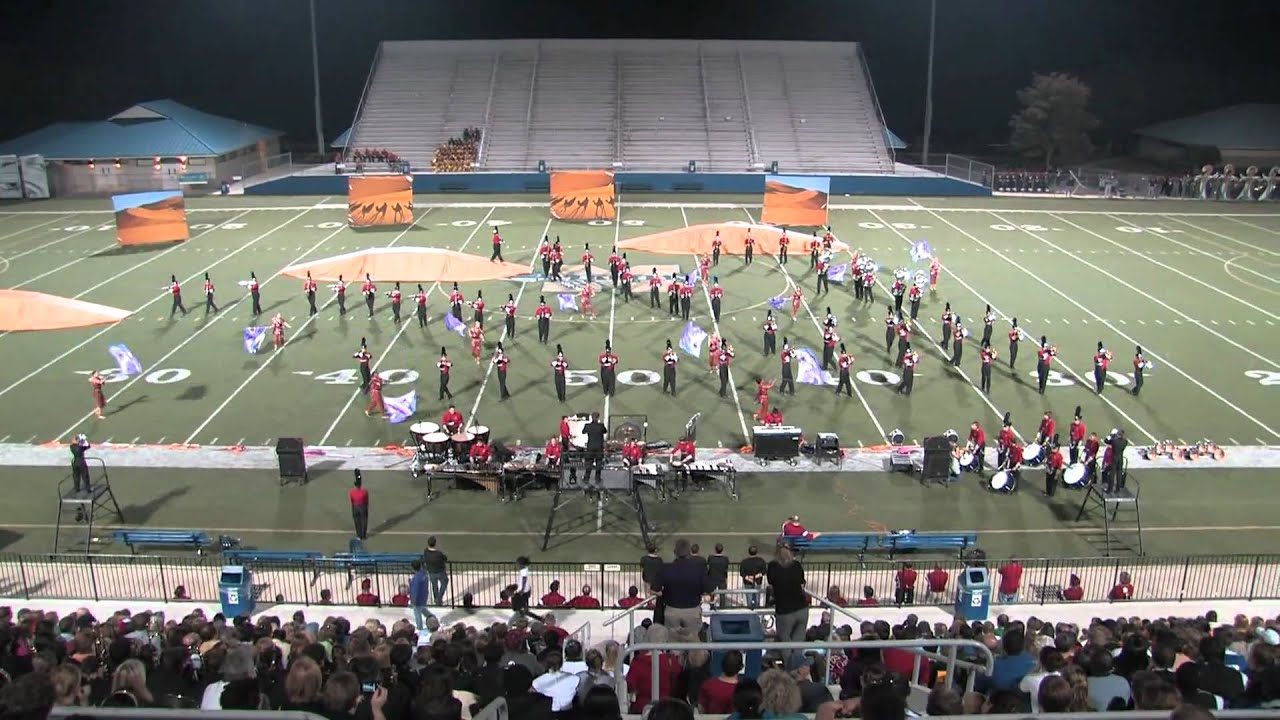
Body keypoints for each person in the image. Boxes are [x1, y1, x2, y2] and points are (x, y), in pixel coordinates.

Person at [652, 539, 713, 635]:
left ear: (675, 552)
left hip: (672, 611)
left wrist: (663, 594)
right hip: (692, 611)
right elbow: (709, 589)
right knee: (693, 640)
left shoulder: (666, 568)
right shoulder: (699, 569)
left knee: (672, 642)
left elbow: (654, 590)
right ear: (689, 552)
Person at [768, 544, 807, 658]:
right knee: (798, 642)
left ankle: (790, 668)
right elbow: (801, 580)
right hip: (802, 608)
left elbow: (771, 581)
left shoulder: (773, 567)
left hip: (785, 611)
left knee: (785, 640)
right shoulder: (796, 566)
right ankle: (797, 666)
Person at [582, 412, 607, 488]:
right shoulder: (601, 426)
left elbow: (583, 432)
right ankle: (597, 478)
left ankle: (586, 478)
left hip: (590, 447)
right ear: (598, 417)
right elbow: (605, 431)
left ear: (591, 418)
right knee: (599, 462)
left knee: (589, 462)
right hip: (599, 447)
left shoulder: (588, 426)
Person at [349, 470, 369, 540]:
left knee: (357, 521)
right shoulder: (364, 491)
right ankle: (363, 535)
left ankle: (359, 535)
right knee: (364, 521)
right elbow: (366, 500)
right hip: (362, 507)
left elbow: (351, 500)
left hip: (355, 507)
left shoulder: (352, 492)